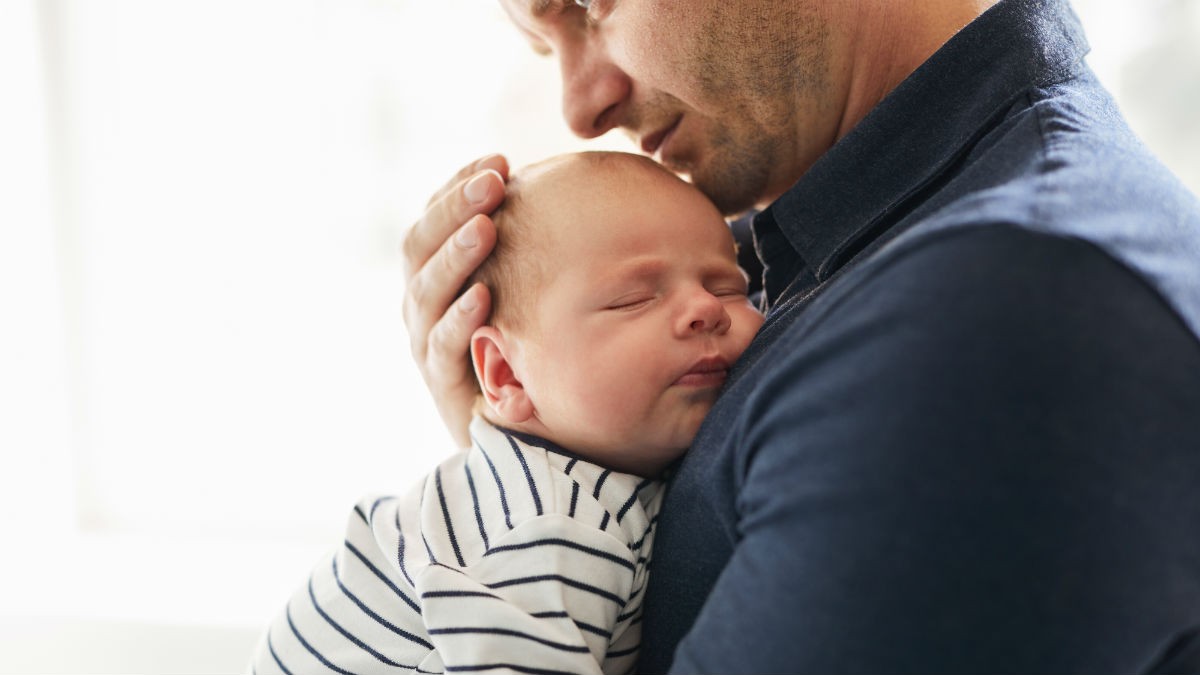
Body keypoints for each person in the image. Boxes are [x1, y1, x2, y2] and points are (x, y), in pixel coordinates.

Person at [402, 0, 1200, 672]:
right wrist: (531, 447)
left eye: (589, 5)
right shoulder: (812, 254)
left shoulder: (1002, 310)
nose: (582, 107)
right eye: (547, 46)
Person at [252, 151, 764, 675]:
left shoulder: (574, 483)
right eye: (633, 299)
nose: (705, 309)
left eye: (728, 287)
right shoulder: (551, 520)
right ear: (507, 375)